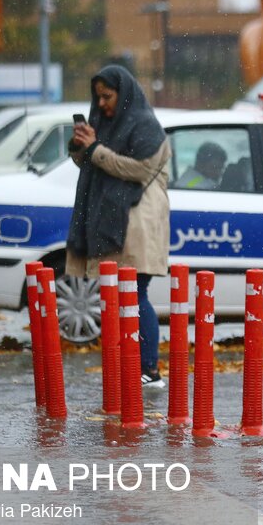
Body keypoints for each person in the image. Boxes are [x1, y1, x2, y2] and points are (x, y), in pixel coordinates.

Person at [66, 64, 171, 389]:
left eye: (107, 97)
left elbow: (138, 169)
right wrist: (82, 147)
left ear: (123, 94)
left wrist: (96, 149)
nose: (101, 105)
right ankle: (128, 365)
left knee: (135, 293)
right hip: (111, 220)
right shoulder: (106, 124)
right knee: (115, 297)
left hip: (136, 222)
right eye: (97, 98)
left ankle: (149, 369)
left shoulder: (144, 124)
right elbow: (92, 164)